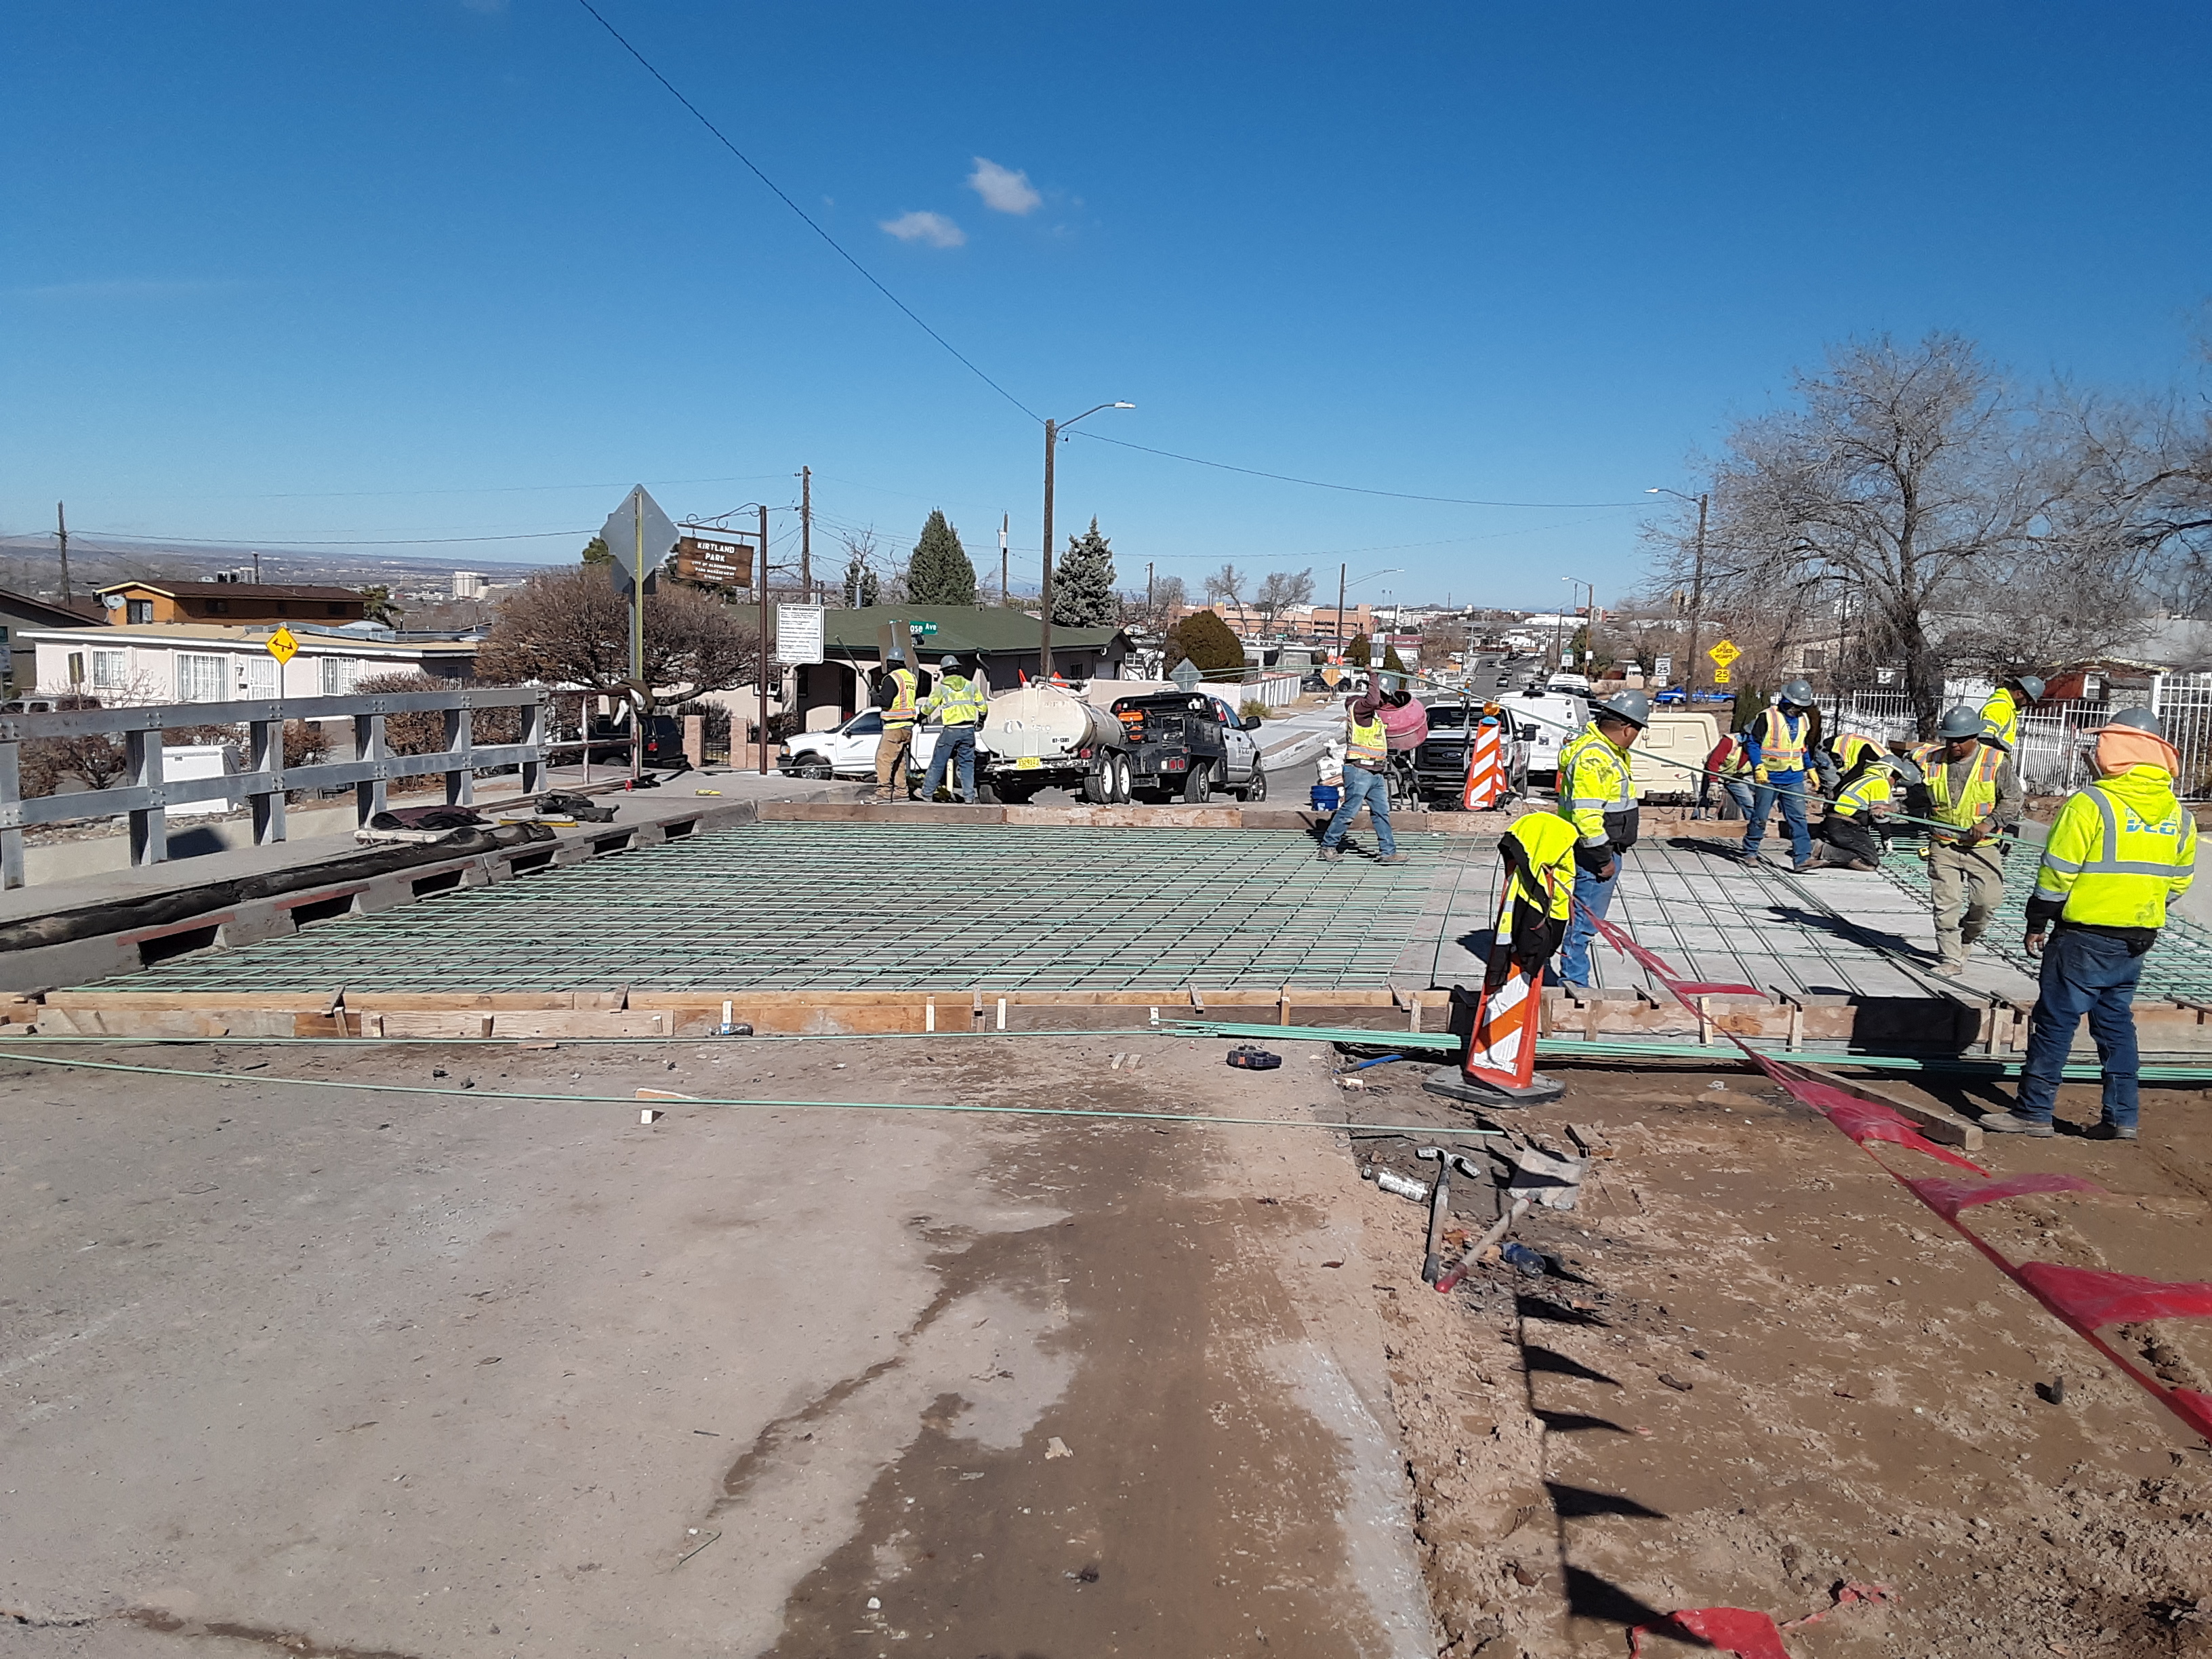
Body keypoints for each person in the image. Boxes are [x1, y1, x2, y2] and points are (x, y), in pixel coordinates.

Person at [1982, 710, 2196, 1141]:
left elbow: (2056, 872)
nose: (2093, 754)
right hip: (2136, 939)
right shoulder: (2180, 815)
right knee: (2115, 1023)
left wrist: (2037, 920)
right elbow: (2179, 882)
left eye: (2100, 746)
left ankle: (2034, 1111)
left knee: (2056, 1021)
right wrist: (2137, 906)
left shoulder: (2092, 803)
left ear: (2118, 752)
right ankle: (2122, 1117)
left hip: (2083, 935)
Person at [1914, 704, 2023, 976]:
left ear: (1974, 737)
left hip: (1982, 848)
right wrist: (1891, 807)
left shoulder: (1996, 762)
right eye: (1950, 739)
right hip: (1944, 844)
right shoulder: (1933, 761)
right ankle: (1950, 957)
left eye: (1961, 740)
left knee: (1986, 902)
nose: (1955, 746)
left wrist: (1990, 823)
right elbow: (1919, 797)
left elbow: (2013, 799)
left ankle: (1967, 937)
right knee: (1946, 904)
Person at [1553, 688, 1649, 988]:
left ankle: (1574, 977)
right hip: (1594, 854)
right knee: (1584, 922)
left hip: (1599, 850)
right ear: (1627, 728)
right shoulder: (1596, 758)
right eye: (1638, 731)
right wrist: (1603, 858)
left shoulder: (1605, 750)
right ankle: (1574, 982)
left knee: (1584, 918)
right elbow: (1587, 816)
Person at [1318, 687, 1409, 864]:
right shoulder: (1358, 714)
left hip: (1375, 773)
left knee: (1382, 813)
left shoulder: (1372, 719)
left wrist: (1389, 698)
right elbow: (1373, 701)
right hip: (1359, 771)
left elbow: (1381, 703)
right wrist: (1373, 676)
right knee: (1349, 812)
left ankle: (1388, 852)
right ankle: (1328, 846)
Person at [1738, 679, 1820, 870]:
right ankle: (1750, 851)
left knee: (1798, 818)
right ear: (1786, 700)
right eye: (1795, 706)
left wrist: (1810, 768)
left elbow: (1802, 747)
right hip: (1769, 776)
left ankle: (1802, 858)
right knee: (1760, 816)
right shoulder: (1768, 717)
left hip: (1793, 777)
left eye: (1801, 707)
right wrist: (1758, 766)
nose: (1798, 710)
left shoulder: (1804, 720)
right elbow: (1753, 743)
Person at [1807, 731, 1895, 870]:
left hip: (1839, 822)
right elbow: (1880, 815)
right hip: (1828, 753)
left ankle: (1829, 839)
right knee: (1870, 861)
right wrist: (1886, 837)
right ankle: (1825, 846)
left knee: (1843, 797)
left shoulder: (1873, 770)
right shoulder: (1877, 767)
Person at [918, 655, 987, 803]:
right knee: (967, 765)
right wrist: (980, 721)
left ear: (944, 671)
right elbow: (983, 707)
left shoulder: (942, 689)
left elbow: (928, 708)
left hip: (951, 731)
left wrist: (919, 718)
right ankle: (969, 797)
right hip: (968, 730)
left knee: (938, 762)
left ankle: (927, 793)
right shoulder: (970, 686)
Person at [872, 649, 924, 802]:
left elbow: (885, 702)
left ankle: (883, 792)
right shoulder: (911, 678)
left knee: (884, 759)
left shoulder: (892, 678)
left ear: (891, 662)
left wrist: (875, 696)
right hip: (908, 727)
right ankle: (901, 791)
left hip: (894, 726)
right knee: (899, 759)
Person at [1979, 674, 2047, 752]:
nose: (2027, 704)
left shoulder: (2009, 708)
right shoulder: (2001, 707)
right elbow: (1985, 737)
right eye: (2028, 700)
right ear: (2019, 694)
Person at [1703, 729, 1756, 820]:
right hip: (1716, 775)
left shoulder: (1758, 747)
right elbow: (1713, 762)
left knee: (1749, 804)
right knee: (1710, 802)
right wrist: (1713, 783)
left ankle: (1754, 828)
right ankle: (1703, 825)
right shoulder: (1730, 741)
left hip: (1735, 777)